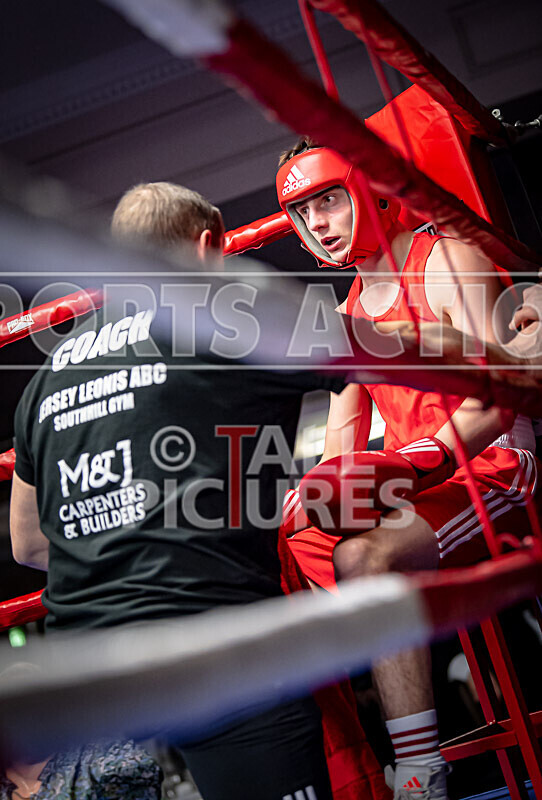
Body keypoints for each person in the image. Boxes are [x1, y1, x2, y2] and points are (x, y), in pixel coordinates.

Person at [9, 180, 389, 800]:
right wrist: (508, 353)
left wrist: (126, 529)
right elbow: (396, 351)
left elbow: (27, 543)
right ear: (211, 245)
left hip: (87, 671)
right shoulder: (227, 317)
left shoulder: (45, 378)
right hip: (209, 644)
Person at [276, 140, 540, 799]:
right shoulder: (347, 317)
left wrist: (410, 463)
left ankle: (420, 774)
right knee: (291, 542)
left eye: (328, 199)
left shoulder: (446, 259)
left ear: (367, 187)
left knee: (368, 561)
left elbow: (505, 395)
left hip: (498, 473)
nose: (319, 223)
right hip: (425, 490)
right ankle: (353, 774)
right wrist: (326, 497)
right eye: (303, 212)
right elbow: (341, 433)